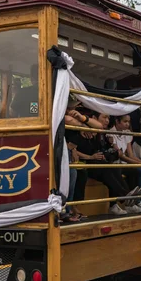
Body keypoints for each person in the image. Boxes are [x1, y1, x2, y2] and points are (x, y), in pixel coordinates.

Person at [71, 112, 141, 216]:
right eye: (104, 117)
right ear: (94, 118)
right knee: (107, 170)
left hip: (99, 163)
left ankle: (121, 201)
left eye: (108, 118)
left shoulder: (102, 134)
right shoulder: (83, 132)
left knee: (113, 168)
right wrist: (90, 157)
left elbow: (105, 151)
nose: (107, 121)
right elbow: (72, 148)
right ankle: (126, 197)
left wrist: (108, 151)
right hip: (86, 164)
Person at [62, 94, 103, 222]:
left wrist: (83, 119)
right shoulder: (59, 111)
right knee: (68, 178)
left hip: (70, 151)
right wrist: (84, 127)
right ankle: (65, 211)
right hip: (62, 151)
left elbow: (99, 126)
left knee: (74, 176)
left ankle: (69, 209)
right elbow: (67, 120)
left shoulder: (77, 115)